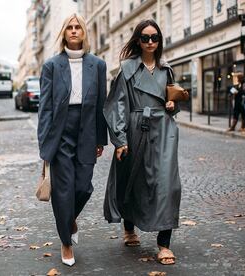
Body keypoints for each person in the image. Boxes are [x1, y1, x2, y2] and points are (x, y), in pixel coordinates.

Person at [103, 19, 181, 266]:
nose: (150, 42)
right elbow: (117, 104)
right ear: (138, 40)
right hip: (135, 128)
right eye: (145, 37)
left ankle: (164, 243)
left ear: (159, 40)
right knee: (132, 179)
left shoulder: (166, 69)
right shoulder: (127, 68)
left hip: (164, 130)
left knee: (168, 184)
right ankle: (129, 228)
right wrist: (119, 139)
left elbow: (171, 99)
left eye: (154, 37)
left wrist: (173, 105)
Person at [37, 13, 107, 267]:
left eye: (78, 27)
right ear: (64, 33)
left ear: (84, 33)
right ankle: (66, 243)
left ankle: (70, 219)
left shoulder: (97, 65)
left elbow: (101, 104)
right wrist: (45, 143)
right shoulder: (52, 66)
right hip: (60, 130)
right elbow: (45, 107)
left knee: (84, 187)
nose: (74, 31)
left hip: (87, 127)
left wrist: (101, 137)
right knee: (64, 190)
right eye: (70, 28)